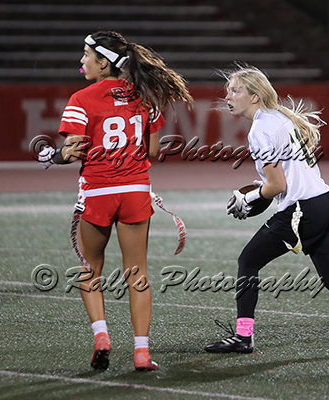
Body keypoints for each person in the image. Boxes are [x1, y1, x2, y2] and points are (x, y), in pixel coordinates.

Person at [205, 65, 329, 354]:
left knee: (248, 261)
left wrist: (250, 197)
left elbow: (277, 185)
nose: (228, 96)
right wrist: (263, 189)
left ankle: (244, 337)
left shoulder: (261, 129)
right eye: (228, 90)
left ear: (254, 97)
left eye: (235, 90)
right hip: (327, 204)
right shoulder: (278, 117)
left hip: (303, 209)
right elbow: (284, 176)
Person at [38, 30, 193, 371]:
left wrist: (50, 156)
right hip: (135, 191)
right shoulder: (144, 97)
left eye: (86, 55)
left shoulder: (81, 98)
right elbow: (153, 151)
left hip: (98, 192)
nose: (82, 61)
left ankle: (102, 337)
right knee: (137, 274)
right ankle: (142, 353)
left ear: (103, 62)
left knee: (89, 269)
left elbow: (72, 151)